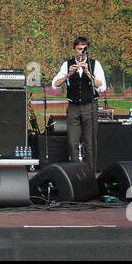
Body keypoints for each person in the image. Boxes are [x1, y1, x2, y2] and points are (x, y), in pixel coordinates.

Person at [51, 37, 108, 172]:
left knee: (89, 143)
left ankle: (90, 172)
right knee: (72, 142)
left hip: (90, 106)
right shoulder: (67, 64)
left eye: (84, 49)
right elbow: (55, 85)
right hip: (73, 107)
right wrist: (68, 75)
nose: (82, 52)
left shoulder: (95, 64)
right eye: (79, 49)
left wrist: (88, 73)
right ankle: (74, 172)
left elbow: (102, 87)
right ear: (74, 49)